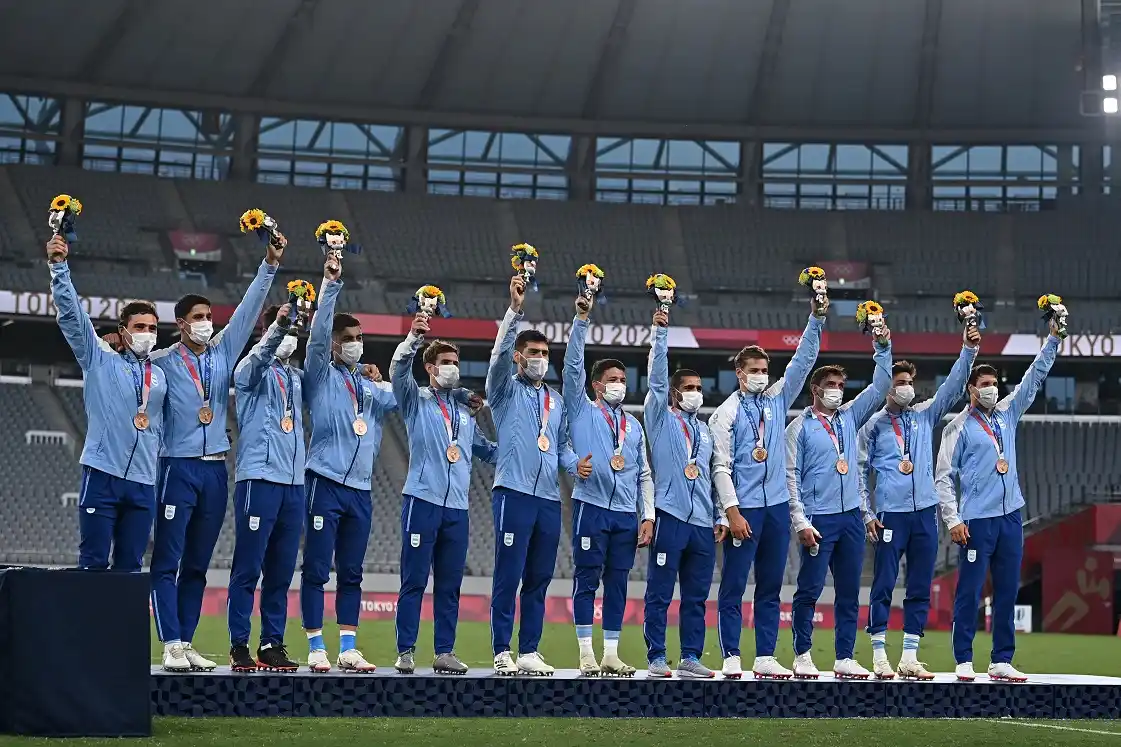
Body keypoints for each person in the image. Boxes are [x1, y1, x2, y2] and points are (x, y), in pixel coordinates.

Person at [149, 232, 283, 672]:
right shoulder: (162, 361)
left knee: (197, 565)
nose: (207, 322)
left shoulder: (223, 352)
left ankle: (187, 642)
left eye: (209, 316)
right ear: (182, 323)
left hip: (214, 472)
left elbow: (247, 309)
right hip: (178, 467)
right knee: (167, 561)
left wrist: (269, 264)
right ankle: (170, 643)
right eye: (199, 317)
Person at [935, 321, 1062, 683]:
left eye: (994, 383)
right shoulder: (957, 428)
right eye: (985, 384)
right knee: (970, 591)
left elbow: (1033, 378)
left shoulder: (1007, 412)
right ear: (972, 389)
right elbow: (942, 476)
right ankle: (963, 659)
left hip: (1010, 518)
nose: (992, 389)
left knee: (1007, 591)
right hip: (977, 521)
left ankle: (1001, 659)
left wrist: (1053, 340)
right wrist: (953, 519)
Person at [709, 298, 825, 679]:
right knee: (733, 586)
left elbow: (803, 362)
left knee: (771, 587)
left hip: (776, 508)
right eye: (754, 370)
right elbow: (721, 467)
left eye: (764, 370)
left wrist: (816, 318)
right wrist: (732, 511)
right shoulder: (725, 414)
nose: (761, 375)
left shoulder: (777, 399)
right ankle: (730, 655)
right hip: (745, 511)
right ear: (739, 373)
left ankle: (765, 656)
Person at [858, 324, 980, 680]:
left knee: (920, 586)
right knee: (884, 584)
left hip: (925, 513)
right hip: (890, 515)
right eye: (899, 382)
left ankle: (909, 656)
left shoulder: (925, 414)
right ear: (887, 387)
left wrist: (968, 350)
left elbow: (953, 387)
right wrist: (867, 513)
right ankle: (879, 654)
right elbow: (859, 472)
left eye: (909, 381)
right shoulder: (872, 426)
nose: (906, 387)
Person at [46, 236, 167, 573]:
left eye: (152, 328)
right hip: (103, 476)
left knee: (130, 568)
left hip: (143, 482)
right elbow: (72, 317)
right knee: (93, 564)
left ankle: (122, 613)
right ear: (123, 330)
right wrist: (59, 267)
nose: (147, 333)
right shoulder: (99, 359)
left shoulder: (160, 375)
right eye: (139, 327)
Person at [488, 275, 589, 676]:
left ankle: (529, 649)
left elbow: (561, 445)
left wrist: (575, 464)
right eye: (533, 352)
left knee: (539, 578)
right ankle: (502, 650)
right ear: (519, 357)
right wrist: (514, 311)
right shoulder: (503, 390)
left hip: (548, 499)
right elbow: (496, 359)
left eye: (545, 353)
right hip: (512, 493)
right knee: (508, 575)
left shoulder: (556, 400)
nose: (541, 359)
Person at [300, 254, 397, 673]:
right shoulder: (319, 374)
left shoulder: (370, 386)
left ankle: (348, 647)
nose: (357, 343)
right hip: (324, 481)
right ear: (335, 344)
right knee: (317, 569)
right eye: (349, 338)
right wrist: (330, 284)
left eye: (360, 337)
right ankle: (315, 646)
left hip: (360, 489)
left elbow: (405, 395)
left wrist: (411, 346)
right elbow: (317, 336)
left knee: (352, 572)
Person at [389, 313, 497, 675]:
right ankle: (406, 651)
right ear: (430, 367)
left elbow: (485, 450)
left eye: (455, 362)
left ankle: (444, 652)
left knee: (450, 586)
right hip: (422, 501)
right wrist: (413, 339)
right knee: (414, 581)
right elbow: (398, 371)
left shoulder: (464, 412)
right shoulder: (415, 400)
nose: (453, 368)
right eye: (446, 362)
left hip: (457, 510)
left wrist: (521, 451)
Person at [785, 325, 892, 679]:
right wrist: (800, 521)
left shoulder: (850, 416)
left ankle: (844, 656)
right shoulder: (798, 428)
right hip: (818, 519)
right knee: (810, 590)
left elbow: (880, 386)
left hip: (850, 520)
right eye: (830, 385)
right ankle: (802, 654)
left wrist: (882, 346)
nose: (836, 390)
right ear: (815, 389)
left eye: (841, 385)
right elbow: (790, 476)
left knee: (849, 593)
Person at [562, 293, 653, 678]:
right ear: (597, 386)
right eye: (612, 380)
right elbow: (571, 370)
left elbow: (644, 474)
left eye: (623, 380)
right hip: (592, 507)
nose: (619, 385)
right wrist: (581, 322)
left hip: (625, 516)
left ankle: (610, 654)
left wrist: (647, 516)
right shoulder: (583, 411)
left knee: (617, 584)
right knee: (587, 580)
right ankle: (586, 653)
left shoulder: (633, 425)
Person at [642, 307, 725, 679]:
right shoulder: (661, 419)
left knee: (696, 597)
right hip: (671, 516)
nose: (695, 393)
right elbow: (657, 381)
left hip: (702, 524)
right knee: (660, 593)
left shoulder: (705, 431)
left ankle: (690, 656)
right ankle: (657, 657)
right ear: (675, 393)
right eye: (689, 388)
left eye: (698, 388)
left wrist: (719, 515)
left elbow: (712, 475)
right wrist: (660, 335)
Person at [226, 303, 303, 673]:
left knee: (281, 573)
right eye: (284, 330)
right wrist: (279, 327)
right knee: (248, 569)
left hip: (293, 484)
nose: (290, 337)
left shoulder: (297, 378)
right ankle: (239, 644)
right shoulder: (249, 370)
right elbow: (260, 359)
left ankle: (272, 643)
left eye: (294, 331)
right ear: (266, 330)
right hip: (259, 479)